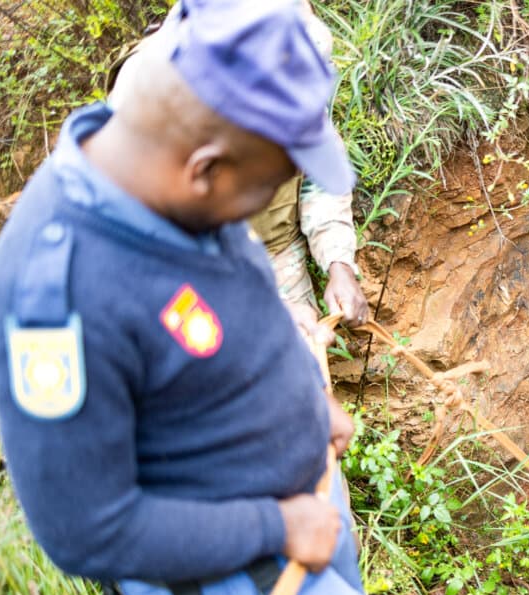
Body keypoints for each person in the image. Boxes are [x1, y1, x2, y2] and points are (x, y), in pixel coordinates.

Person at [0, 2, 430, 595]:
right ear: (205, 170)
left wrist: (307, 409)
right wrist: (277, 529)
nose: (262, 204)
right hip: (240, 564)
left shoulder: (159, 182)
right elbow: (86, 529)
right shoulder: (53, 299)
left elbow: (229, 306)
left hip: (304, 504)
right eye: (267, 185)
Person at [110, 0, 369, 342]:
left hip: (272, 251)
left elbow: (319, 183)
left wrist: (339, 265)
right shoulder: (150, 100)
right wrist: (256, 309)